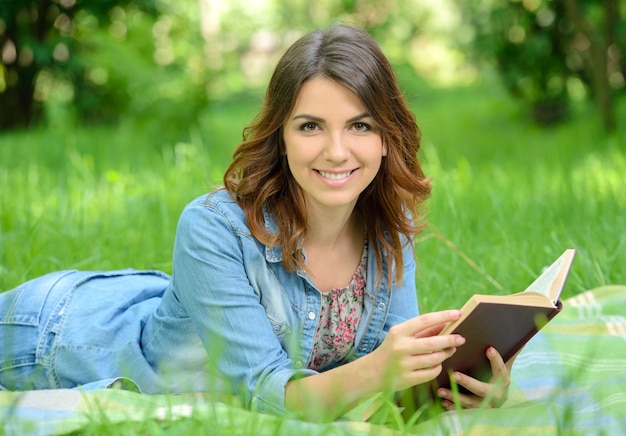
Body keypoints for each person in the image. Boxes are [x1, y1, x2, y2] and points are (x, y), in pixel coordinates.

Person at [0, 24, 511, 420]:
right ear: (281, 135)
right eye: (311, 126)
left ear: (386, 138)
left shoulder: (389, 227)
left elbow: (392, 385)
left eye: (360, 125)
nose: (337, 152)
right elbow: (270, 397)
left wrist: (460, 385)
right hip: (53, 337)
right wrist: (380, 368)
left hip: (157, 305)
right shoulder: (213, 228)